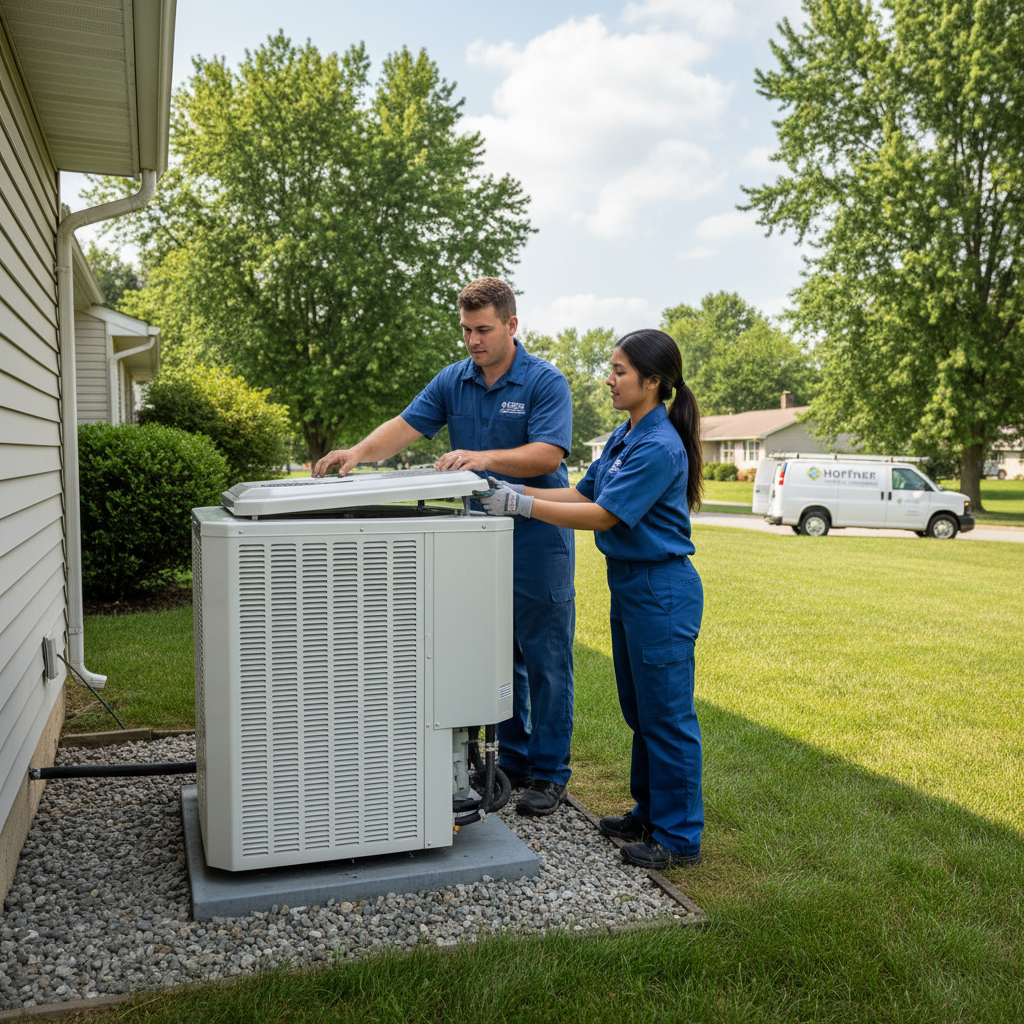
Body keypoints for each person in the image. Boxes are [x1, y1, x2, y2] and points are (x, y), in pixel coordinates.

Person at [313, 278, 576, 817]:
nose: (473, 340)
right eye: (465, 329)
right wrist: (359, 452)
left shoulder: (545, 382)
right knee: (495, 655)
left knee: (547, 658)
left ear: (511, 325)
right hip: (477, 544)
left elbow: (548, 456)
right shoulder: (453, 380)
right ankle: (514, 758)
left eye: (483, 330)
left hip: (536, 538)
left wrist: (482, 457)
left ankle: (549, 773)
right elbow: (407, 425)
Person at [476, 329, 705, 868]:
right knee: (640, 710)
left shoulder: (657, 445)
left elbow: (603, 515)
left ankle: (678, 837)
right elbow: (581, 493)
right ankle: (648, 811)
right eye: (612, 368)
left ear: (652, 382)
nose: (609, 378)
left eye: (620, 371)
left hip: (660, 589)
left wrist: (521, 507)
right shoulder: (626, 436)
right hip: (631, 585)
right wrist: (511, 494)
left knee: (667, 716)